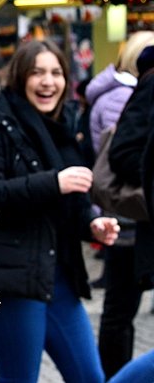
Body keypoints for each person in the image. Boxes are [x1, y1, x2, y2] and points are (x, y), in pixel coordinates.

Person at [0, 39, 120, 383]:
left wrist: (93, 224)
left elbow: (73, 204)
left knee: (89, 377)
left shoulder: (65, 128)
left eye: (56, 73)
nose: (47, 81)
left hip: (61, 275)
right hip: (14, 276)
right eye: (37, 72)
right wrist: (53, 182)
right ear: (20, 77)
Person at [101, 44, 154, 378]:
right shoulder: (151, 84)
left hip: (136, 221)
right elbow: (125, 151)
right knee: (119, 314)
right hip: (130, 224)